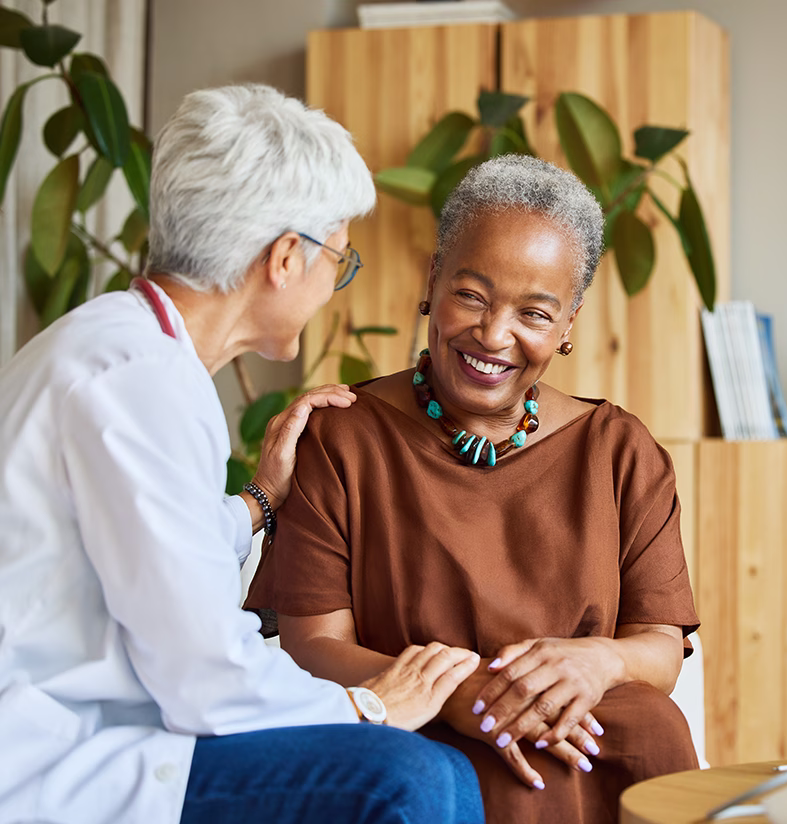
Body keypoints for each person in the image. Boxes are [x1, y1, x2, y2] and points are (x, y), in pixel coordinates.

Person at [0, 84, 485, 824]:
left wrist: (260, 498)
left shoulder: (129, 350)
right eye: (340, 261)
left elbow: (155, 554)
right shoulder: (137, 377)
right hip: (53, 759)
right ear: (286, 257)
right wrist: (368, 703)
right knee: (407, 780)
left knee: (441, 773)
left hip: (88, 733)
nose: (336, 286)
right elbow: (206, 674)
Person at [244, 154, 701, 823]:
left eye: (534, 314)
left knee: (651, 723)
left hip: (590, 733)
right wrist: (460, 693)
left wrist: (596, 663)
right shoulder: (342, 438)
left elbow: (660, 649)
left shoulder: (620, 451)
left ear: (569, 323)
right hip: (423, 729)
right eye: (472, 296)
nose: (493, 335)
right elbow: (313, 646)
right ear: (434, 278)